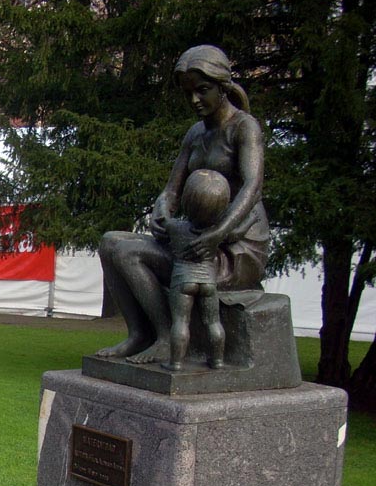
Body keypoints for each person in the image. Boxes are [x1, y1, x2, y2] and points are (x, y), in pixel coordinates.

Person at [96, 45, 268, 364]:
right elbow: (172, 189)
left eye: (202, 91)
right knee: (110, 243)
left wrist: (219, 233)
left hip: (236, 248)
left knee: (127, 252)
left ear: (223, 86)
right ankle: (139, 334)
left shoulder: (244, 127)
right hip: (196, 236)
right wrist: (161, 210)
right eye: (189, 93)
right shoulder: (196, 133)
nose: (195, 101)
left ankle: (165, 338)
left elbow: (252, 187)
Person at [163, 169, 231, 371]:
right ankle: (217, 360)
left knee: (181, 322)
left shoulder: (176, 227)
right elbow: (236, 231)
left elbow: (163, 219)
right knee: (213, 322)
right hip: (208, 281)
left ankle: (176, 362)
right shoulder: (216, 233)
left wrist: (162, 203)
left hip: (183, 280)